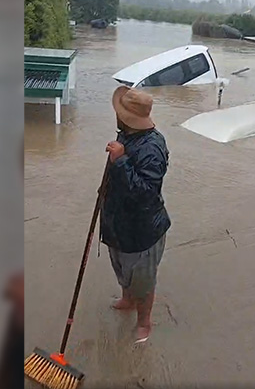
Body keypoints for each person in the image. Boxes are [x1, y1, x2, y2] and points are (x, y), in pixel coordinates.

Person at [101, 86, 171, 343]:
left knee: (142, 279)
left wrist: (120, 161)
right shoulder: (126, 134)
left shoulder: (153, 147)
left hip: (143, 230)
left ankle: (144, 323)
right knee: (121, 267)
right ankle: (127, 299)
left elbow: (146, 194)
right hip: (120, 224)